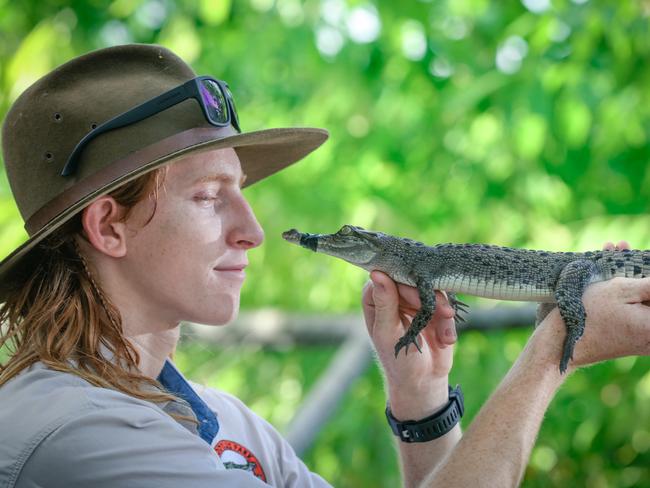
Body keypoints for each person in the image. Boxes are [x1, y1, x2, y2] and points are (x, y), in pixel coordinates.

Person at [0, 44, 648, 488]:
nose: (252, 231)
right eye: (206, 197)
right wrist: (555, 346)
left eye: (241, 192)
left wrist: (420, 405)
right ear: (108, 225)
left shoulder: (233, 429)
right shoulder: (79, 433)